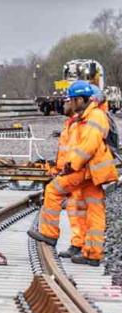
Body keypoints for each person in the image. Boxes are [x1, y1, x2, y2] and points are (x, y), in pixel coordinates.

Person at [30, 80, 115, 265]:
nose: (69, 103)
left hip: (86, 170)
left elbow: (88, 145)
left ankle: (49, 234)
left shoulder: (94, 117)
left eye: (71, 100)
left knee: (53, 190)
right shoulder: (88, 116)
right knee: (93, 209)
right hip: (91, 172)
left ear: (78, 99)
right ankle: (92, 253)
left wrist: (71, 165)